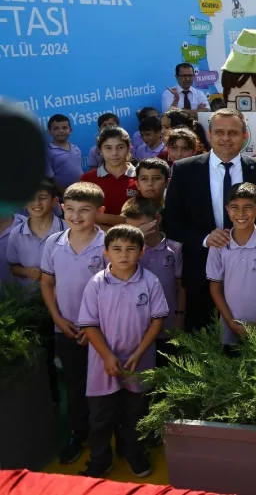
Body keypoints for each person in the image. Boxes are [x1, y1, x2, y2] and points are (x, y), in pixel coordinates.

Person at [161, 109, 256, 332]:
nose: (226, 138)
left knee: (247, 346)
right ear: (209, 134)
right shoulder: (185, 170)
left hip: (251, 276)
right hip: (201, 273)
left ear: (245, 136)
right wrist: (204, 239)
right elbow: (171, 220)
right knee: (204, 348)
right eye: (220, 132)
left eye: (233, 132)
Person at [76, 224, 167, 478]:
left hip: (139, 362)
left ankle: (134, 453)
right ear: (106, 253)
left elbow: (157, 320)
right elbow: (90, 324)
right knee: (100, 417)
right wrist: (107, 355)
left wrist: (139, 353)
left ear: (142, 251)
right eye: (116, 249)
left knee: (135, 413)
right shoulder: (96, 284)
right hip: (102, 364)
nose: (123, 254)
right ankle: (100, 459)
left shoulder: (150, 281)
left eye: (130, 249)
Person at [40, 182, 107, 465]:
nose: (76, 216)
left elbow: (115, 290)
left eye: (85, 210)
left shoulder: (107, 244)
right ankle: (77, 434)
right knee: (75, 384)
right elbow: (47, 282)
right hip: (66, 328)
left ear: (100, 212)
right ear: (62, 208)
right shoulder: (53, 243)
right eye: (70, 210)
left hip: (103, 332)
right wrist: (57, 318)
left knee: (105, 387)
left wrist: (96, 328)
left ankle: (104, 437)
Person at [207, 183, 256, 347]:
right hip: (230, 329)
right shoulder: (218, 244)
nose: (241, 213)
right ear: (227, 209)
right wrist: (231, 323)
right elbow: (215, 288)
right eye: (235, 207)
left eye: (248, 207)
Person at [120, 197, 184, 363]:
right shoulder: (127, 253)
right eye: (131, 229)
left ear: (157, 219)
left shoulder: (175, 249)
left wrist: (180, 316)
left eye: (141, 227)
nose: (136, 233)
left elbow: (180, 286)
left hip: (168, 324)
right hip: (137, 328)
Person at [8, 179, 64, 289]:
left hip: (61, 298)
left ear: (55, 201)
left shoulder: (68, 230)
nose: (36, 202)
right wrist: (25, 271)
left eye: (42, 198)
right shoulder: (16, 233)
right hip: (28, 302)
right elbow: (13, 267)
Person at [81, 127, 137, 227]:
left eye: (120, 147)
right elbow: (82, 215)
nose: (114, 153)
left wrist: (99, 217)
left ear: (128, 148)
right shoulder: (87, 179)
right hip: (98, 239)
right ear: (100, 150)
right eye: (108, 148)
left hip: (135, 238)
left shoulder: (141, 177)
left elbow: (146, 217)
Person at [46, 115, 84, 190]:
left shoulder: (75, 148)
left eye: (64, 128)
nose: (61, 131)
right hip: (62, 195)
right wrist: (63, 193)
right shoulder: (48, 152)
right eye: (56, 128)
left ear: (70, 130)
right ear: (49, 132)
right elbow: (50, 178)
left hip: (81, 191)